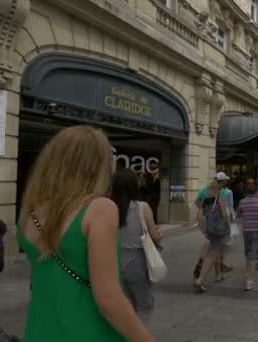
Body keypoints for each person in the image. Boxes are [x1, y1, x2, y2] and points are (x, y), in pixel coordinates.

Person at [17, 126, 154, 342]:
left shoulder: (29, 211)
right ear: (96, 166)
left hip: (40, 330)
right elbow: (108, 299)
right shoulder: (100, 209)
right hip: (89, 331)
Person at [112, 169, 162, 325]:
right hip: (137, 262)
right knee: (145, 305)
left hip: (114, 261)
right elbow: (154, 237)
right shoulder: (142, 207)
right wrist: (159, 237)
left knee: (126, 304)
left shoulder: (109, 207)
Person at [193, 173, 234, 284]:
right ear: (220, 183)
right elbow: (224, 212)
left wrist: (203, 229)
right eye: (224, 181)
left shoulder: (204, 193)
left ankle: (215, 272)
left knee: (213, 249)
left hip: (209, 226)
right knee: (217, 252)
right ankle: (205, 277)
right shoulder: (221, 193)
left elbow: (198, 212)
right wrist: (228, 225)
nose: (225, 183)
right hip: (220, 227)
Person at [237, 184, 258, 291]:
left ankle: (247, 272)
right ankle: (249, 280)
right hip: (256, 230)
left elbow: (239, 214)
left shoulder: (242, 201)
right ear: (256, 192)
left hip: (246, 231)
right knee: (253, 255)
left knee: (248, 252)